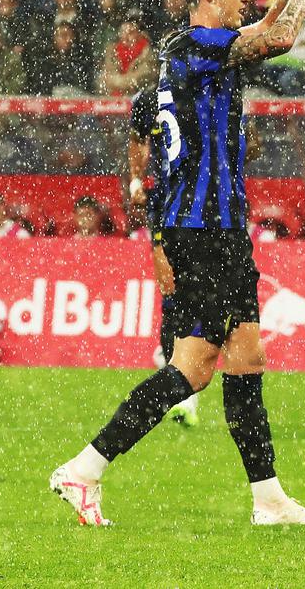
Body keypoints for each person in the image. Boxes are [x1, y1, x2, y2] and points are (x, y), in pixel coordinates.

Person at [50, 0, 305, 528]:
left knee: (247, 356)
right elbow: (281, 36)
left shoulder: (188, 52)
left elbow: (254, 35)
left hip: (217, 227)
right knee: (194, 368)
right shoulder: (202, 45)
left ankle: (268, 499)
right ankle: (84, 468)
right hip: (203, 228)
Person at [127, 85, 200, 427]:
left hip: (202, 206)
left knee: (195, 297)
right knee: (172, 292)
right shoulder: (147, 100)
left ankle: (185, 382)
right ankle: (180, 384)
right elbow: (138, 139)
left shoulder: (208, 91)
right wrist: (135, 180)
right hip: (167, 205)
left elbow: (248, 144)